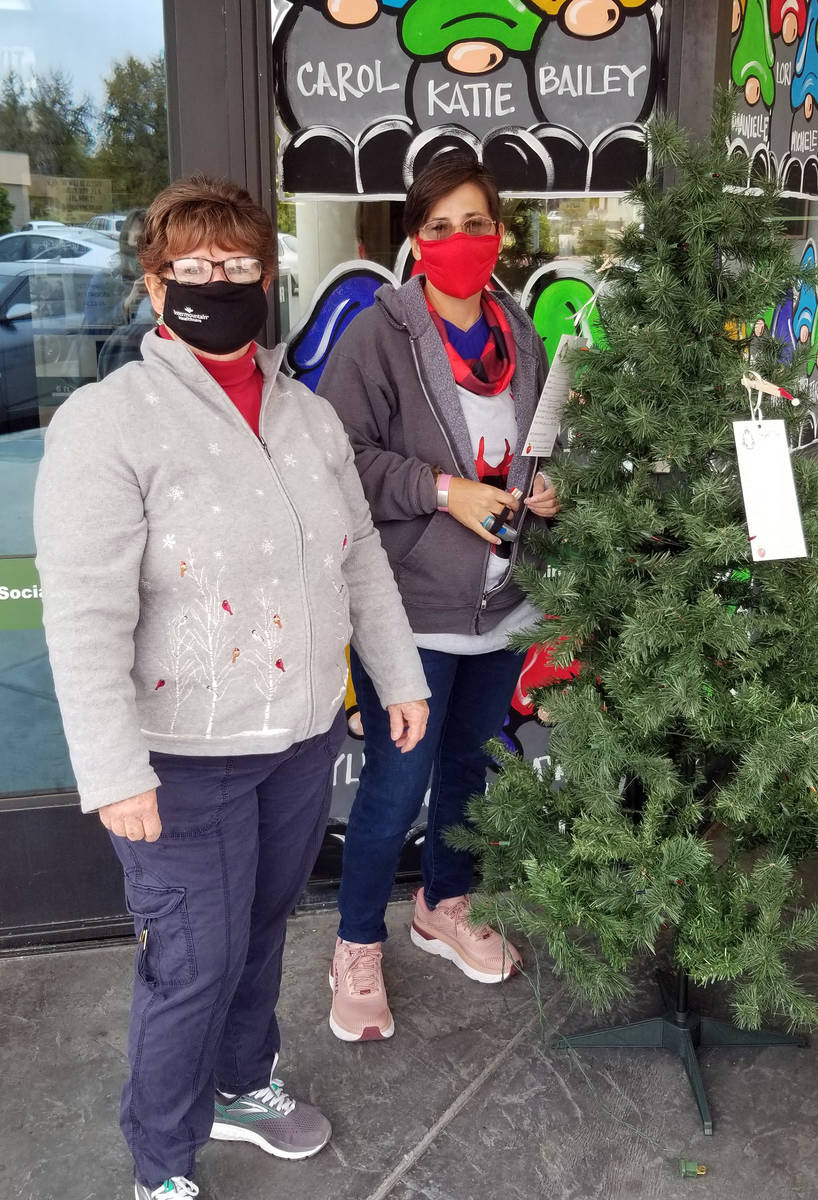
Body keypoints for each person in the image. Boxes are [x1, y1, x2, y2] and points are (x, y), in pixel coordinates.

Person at [34, 175, 430, 1200]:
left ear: (267, 274)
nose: (218, 283)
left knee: (258, 938)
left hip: (293, 744)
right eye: (193, 268)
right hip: (177, 764)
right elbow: (82, 618)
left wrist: (398, 672)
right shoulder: (105, 423)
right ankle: (159, 1159)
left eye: (238, 265)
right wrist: (114, 770)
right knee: (193, 965)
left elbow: (355, 563)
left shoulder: (305, 415)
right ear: (154, 284)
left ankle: (242, 1086)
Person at [318, 155, 559, 1043]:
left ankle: (442, 905)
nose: (461, 242)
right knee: (395, 782)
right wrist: (440, 489)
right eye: (440, 226)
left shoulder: (519, 332)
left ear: (499, 233)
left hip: (500, 603)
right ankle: (355, 945)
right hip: (410, 610)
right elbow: (338, 453)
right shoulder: (375, 338)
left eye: (476, 223)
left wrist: (544, 489)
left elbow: (538, 439)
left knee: (468, 769)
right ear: (414, 241)